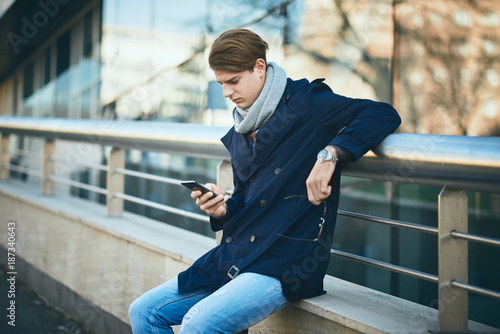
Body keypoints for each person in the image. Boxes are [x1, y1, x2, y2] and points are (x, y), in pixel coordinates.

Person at [129, 28, 401, 333]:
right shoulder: (241, 129)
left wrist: (331, 154)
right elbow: (245, 200)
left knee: (199, 323)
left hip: (286, 261)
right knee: (143, 311)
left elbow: (381, 113)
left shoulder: (307, 104)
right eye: (221, 83)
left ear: (260, 68)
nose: (227, 93)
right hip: (239, 253)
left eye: (233, 81)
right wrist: (221, 210)